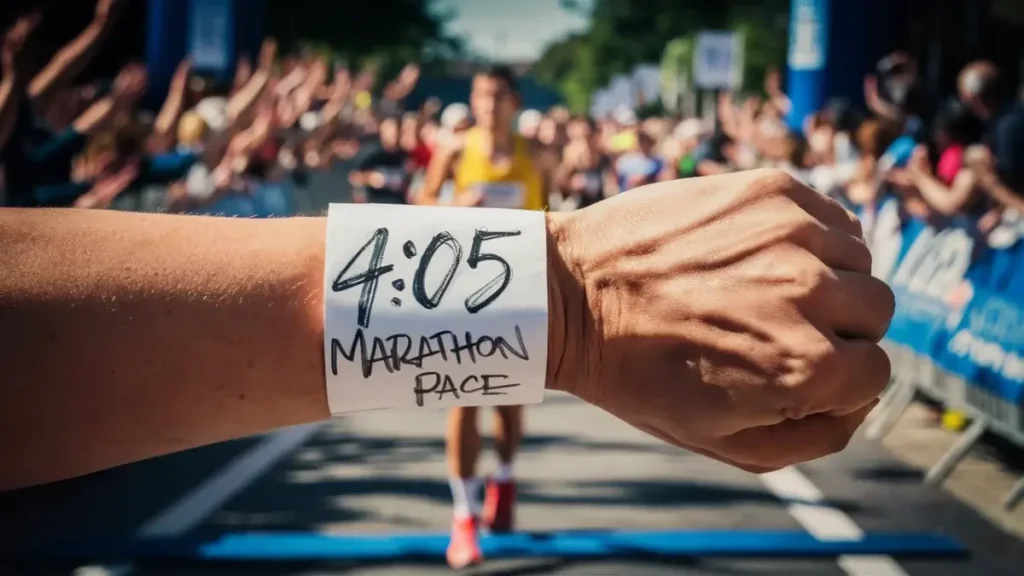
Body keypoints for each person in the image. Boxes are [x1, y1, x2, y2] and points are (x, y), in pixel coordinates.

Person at [1, 170, 893, 512]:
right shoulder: (462, 151)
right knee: (476, 405)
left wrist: (566, 298)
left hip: (494, 315)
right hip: (494, 312)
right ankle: (473, 502)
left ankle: (491, 485)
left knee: (500, 411)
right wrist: (570, 297)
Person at [414, 64, 546, 568]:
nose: (488, 105)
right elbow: (422, 200)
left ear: (514, 102)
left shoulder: (535, 155)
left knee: (509, 406)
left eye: (498, 96)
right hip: (465, 293)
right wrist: (454, 204)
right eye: (481, 95)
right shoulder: (453, 149)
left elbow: (554, 213)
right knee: (463, 398)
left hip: (522, 292)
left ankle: (505, 480)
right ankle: (463, 517)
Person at [348, 116, 413, 205]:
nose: (392, 134)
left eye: (395, 131)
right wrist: (370, 178)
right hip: (376, 203)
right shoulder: (370, 153)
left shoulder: (404, 154)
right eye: (388, 131)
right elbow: (355, 178)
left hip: (399, 204)